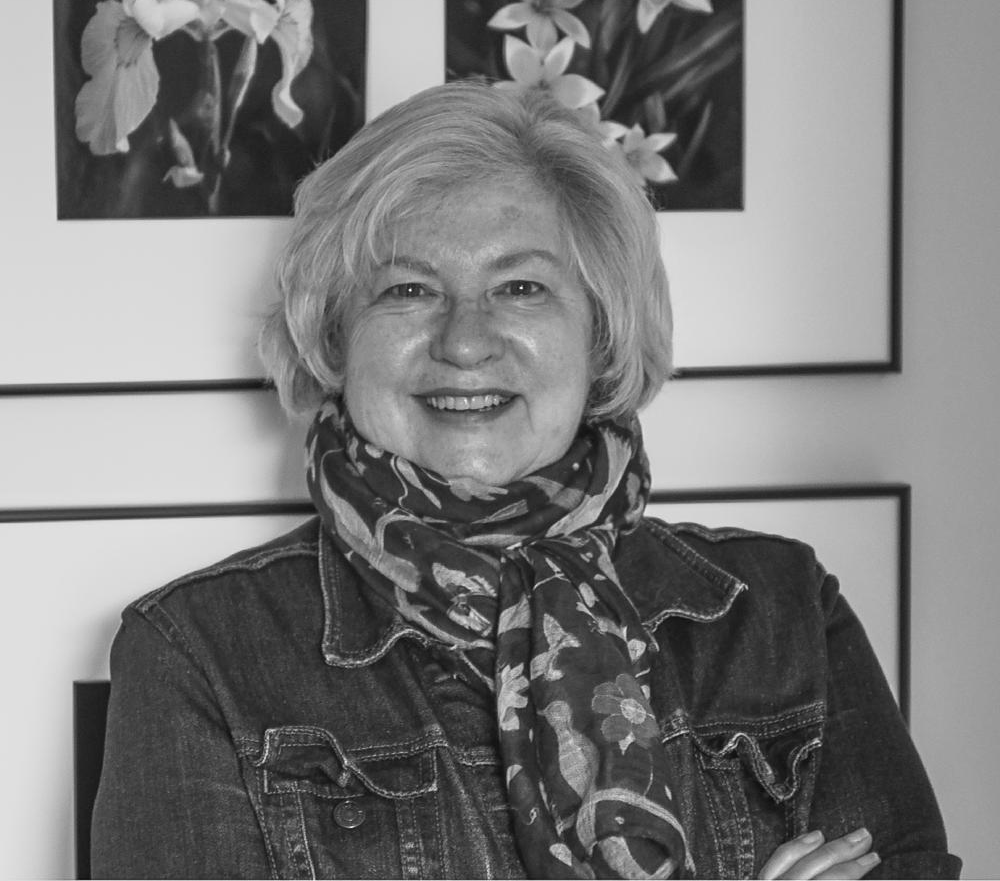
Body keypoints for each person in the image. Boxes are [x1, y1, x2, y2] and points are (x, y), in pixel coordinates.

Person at [91, 81, 960, 879]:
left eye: (520, 286)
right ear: (332, 336)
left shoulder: (779, 611)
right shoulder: (197, 655)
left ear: (601, 334)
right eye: (407, 290)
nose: (465, 341)